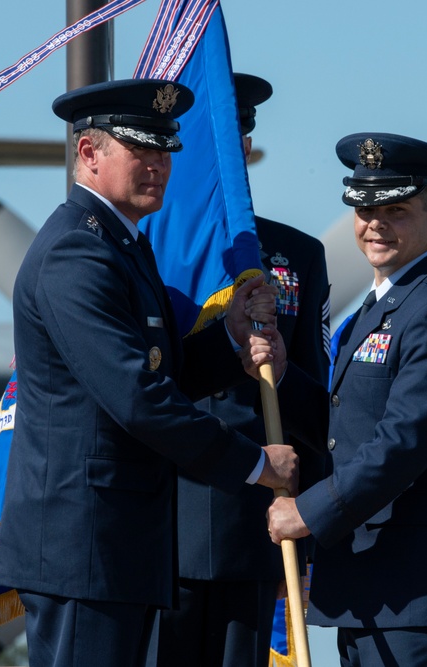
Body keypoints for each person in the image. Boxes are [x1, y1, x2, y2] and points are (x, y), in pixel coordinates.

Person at [0, 78, 299, 667]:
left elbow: (164, 368)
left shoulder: (122, 246)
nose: (158, 165)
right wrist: (256, 464)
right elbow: (136, 396)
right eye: (141, 150)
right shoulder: (76, 254)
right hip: (84, 547)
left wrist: (230, 341)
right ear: (89, 154)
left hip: (116, 548)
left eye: (164, 150)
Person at [266, 133, 427, 666]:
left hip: (423, 596)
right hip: (370, 594)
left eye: (396, 210)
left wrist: (307, 513)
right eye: (364, 208)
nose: (375, 223)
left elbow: (402, 443)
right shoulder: (373, 312)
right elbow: (347, 429)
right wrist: (283, 376)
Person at [150, 73, 331, 667]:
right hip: (158, 524)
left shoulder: (296, 256)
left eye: (236, 141)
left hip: (253, 531)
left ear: (245, 149)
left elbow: (315, 406)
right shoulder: (146, 250)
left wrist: (306, 534)